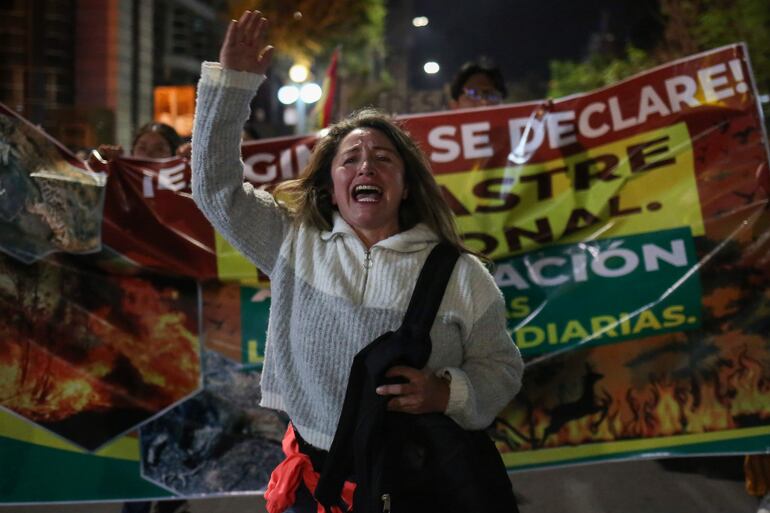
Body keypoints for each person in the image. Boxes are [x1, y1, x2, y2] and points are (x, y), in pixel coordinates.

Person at [191, 10, 523, 512]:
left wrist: (446, 392)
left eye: (383, 158)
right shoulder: (293, 242)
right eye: (350, 158)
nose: (366, 164)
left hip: (417, 487)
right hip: (317, 487)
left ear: (405, 184)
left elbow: (500, 369)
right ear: (330, 186)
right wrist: (232, 83)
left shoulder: (461, 275)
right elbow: (213, 188)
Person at [91, 121, 190, 163]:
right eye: (142, 148)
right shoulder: (122, 178)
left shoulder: (185, 181)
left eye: (159, 149)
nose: (149, 154)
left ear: (174, 154)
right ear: (132, 152)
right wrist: (104, 160)